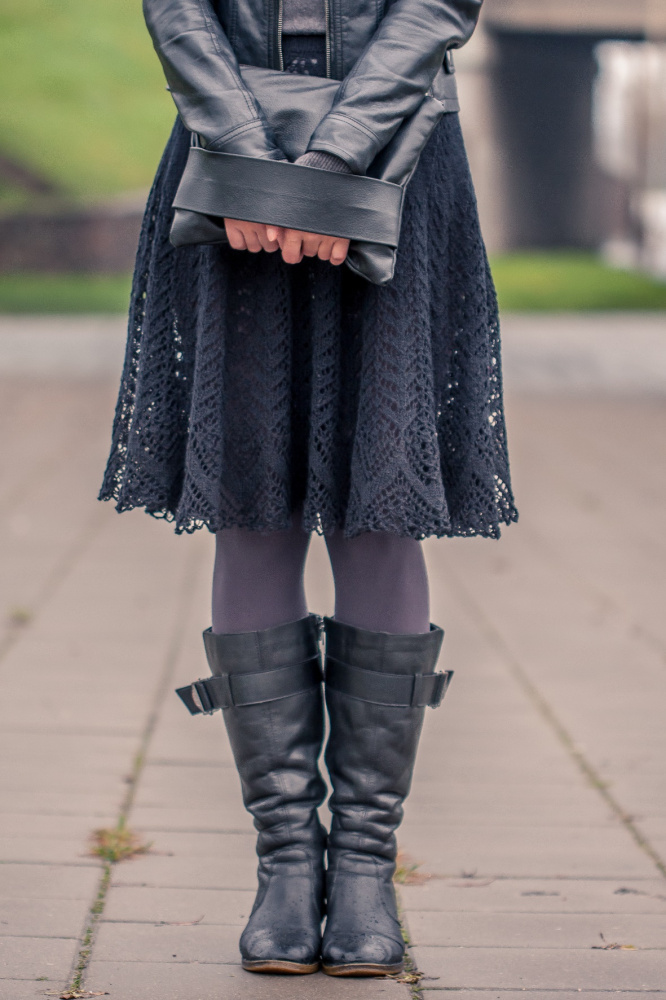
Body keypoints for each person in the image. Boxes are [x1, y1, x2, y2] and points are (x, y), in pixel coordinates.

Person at [99, 0, 517, 978]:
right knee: (249, 508)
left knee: (381, 511)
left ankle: (365, 865)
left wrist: (328, 167)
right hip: (224, 157)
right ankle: (286, 862)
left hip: (398, 159)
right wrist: (249, 157)